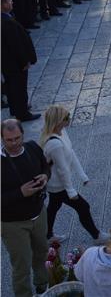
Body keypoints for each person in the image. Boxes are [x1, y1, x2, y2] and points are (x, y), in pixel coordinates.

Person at [39, 105, 108, 244]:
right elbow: (62, 170)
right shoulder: (54, 144)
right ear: (58, 121)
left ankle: (47, 236)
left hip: (56, 184)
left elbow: (71, 153)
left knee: (53, 206)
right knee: (83, 206)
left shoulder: (62, 132)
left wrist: (83, 176)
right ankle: (96, 235)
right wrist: (70, 191)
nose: (69, 119)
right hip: (58, 185)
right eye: (66, 118)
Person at [1, 118, 51, 297]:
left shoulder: (32, 148)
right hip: (12, 223)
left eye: (17, 138)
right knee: (21, 264)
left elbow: (46, 166)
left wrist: (45, 176)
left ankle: (42, 285)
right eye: (9, 140)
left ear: (23, 134)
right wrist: (20, 193)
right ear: (2, 139)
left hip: (38, 213)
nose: (14, 143)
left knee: (41, 252)